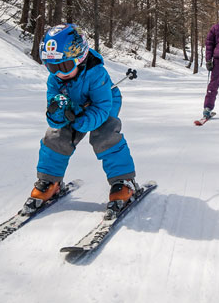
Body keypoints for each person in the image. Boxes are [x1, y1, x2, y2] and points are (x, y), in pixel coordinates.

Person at [26, 23, 139, 212]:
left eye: (65, 65)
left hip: (104, 103)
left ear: (81, 57)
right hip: (75, 109)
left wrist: (81, 120)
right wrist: (57, 113)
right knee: (55, 136)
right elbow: (53, 117)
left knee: (105, 135)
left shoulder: (97, 74)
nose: (59, 73)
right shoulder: (55, 79)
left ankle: (123, 180)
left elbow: (102, 107)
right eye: (51, 66)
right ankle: (49, 181)